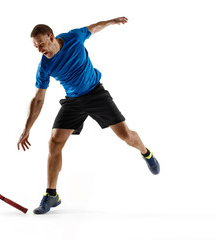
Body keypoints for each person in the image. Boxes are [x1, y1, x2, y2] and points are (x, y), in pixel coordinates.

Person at [17, 17, 160, 215]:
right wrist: (27, 128)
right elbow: (38, 99)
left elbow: (94, 28)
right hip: (73, 101)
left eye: (41, 44)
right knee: (54, 142)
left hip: (96, 94)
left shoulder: (74, 37)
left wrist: (112, 21)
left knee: (125, 135)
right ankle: (52, 194)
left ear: (51, 37)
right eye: (35, 47)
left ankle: (146, 153)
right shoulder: (44, 66)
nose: (40, 49)